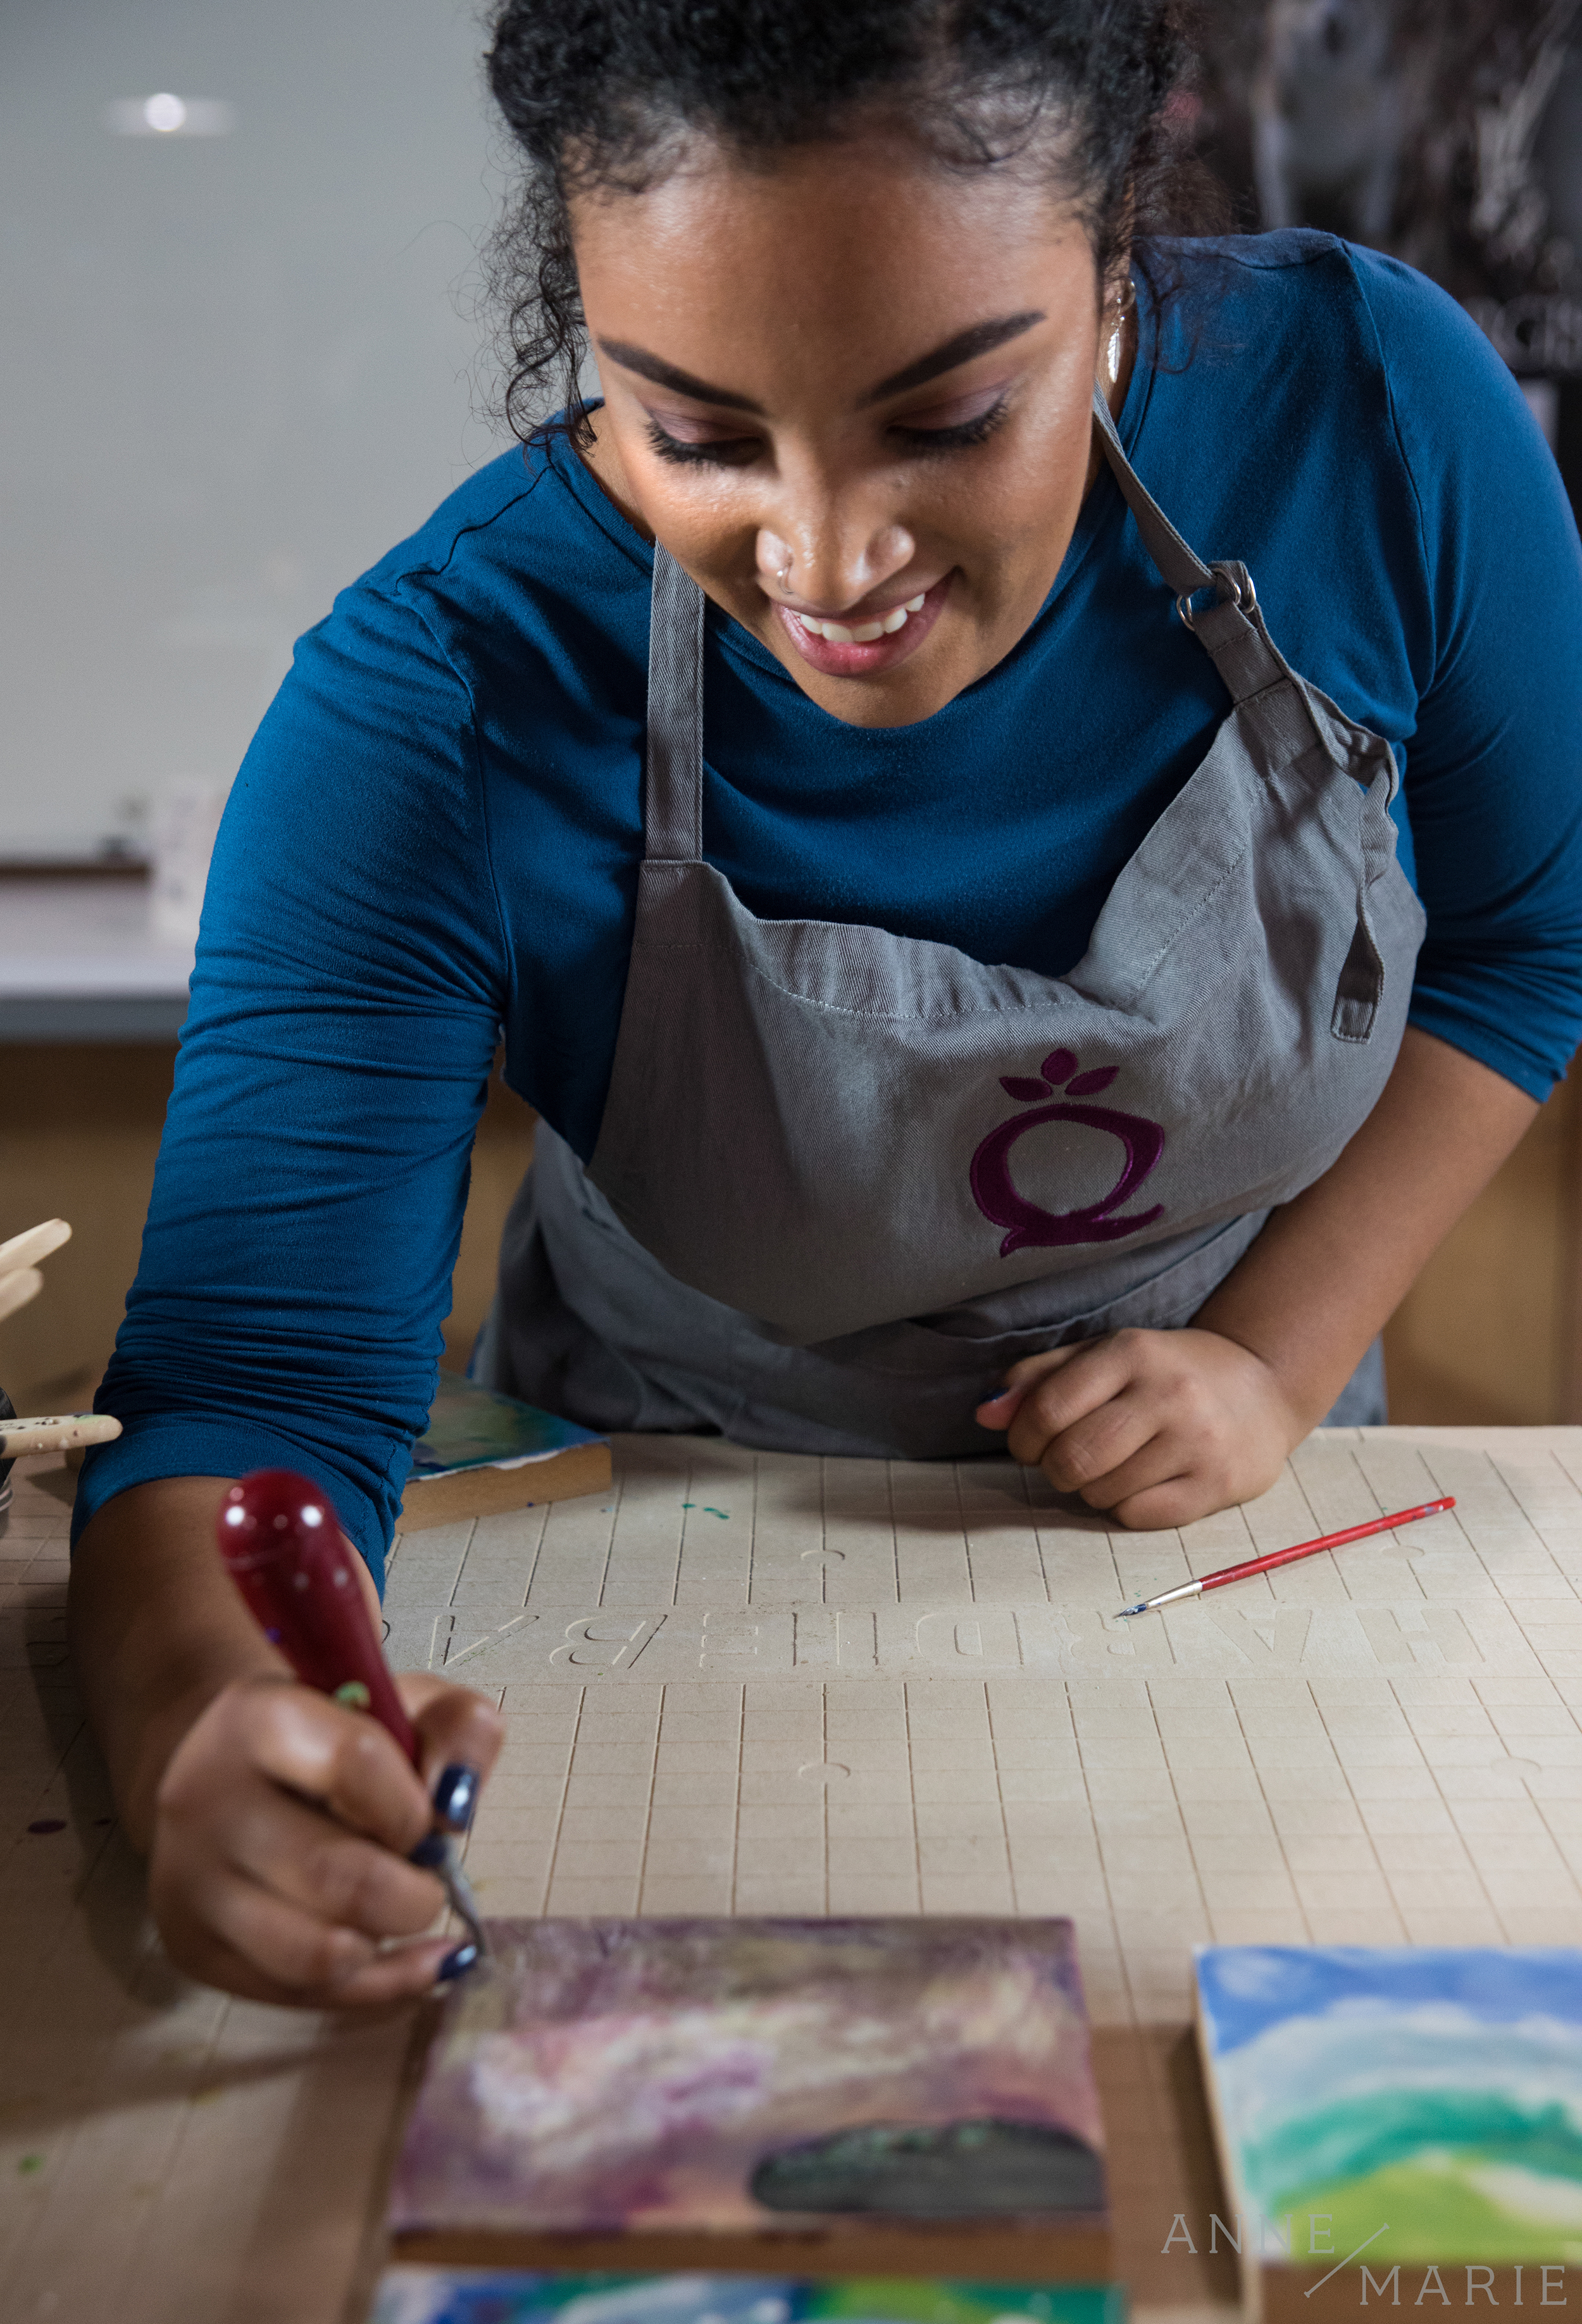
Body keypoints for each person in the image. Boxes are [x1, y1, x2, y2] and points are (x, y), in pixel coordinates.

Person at [70, 0, 1582, 2007]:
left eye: (948, 419)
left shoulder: (1368, 420)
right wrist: (210, 1733)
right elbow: (246, 1390)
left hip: (1213, 1526)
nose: (826, 560)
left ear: (1113, 261)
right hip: (653, 1547)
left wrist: (1272, 1363)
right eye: (692, 435)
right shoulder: (433, 698)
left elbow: (1520, 944)